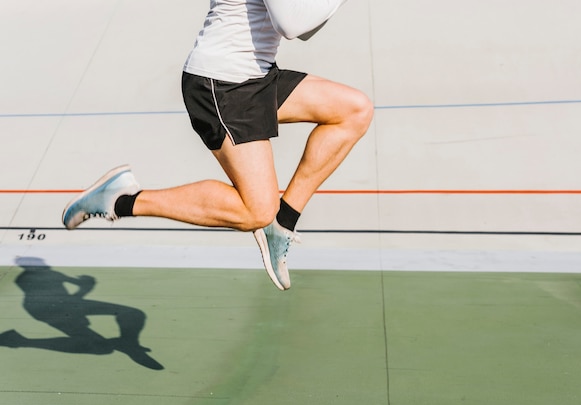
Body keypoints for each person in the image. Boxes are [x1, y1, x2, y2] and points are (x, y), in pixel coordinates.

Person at [62, 0, 373, 291]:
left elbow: (300, 25)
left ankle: (282, 224)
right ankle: (121, 199)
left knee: (353, 110)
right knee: (256, 211)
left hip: (255, 77)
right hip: (221, 85)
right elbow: (292, 26)